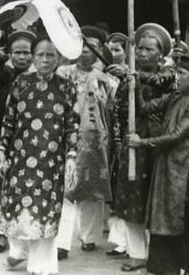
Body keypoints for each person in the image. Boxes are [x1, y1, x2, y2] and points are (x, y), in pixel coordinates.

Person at [0, 37, 79, 275]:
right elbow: (9, 120)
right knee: (18, 203)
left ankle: (42, 265)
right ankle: (18, 252)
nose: (45, 59)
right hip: (20, 157)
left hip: (51, 160)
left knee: (45, 207)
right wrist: (1, 151)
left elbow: (73, 123)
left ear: (59, 59)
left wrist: (72, 155)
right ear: (33, 57)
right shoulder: (21, 82)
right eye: (40, 55)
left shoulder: (66, 86)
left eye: (50, 55)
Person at [127, 54, 189, 275]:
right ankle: (164, 268)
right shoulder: (174, 97)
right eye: (177, 72)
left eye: (182, 74)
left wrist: (141, 142)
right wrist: (135, 87)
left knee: (183, 220)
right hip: (166, 166)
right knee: (163, 218)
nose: (177, 77)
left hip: (184, 170)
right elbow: (144, 108)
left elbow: (176, 136)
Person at [106, 23, 175, 272]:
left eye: (149, 49)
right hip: (132, 143)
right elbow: (119, 111)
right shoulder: (127, 79)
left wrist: (133, 76)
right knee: (131, 196)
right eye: (140, 49)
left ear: (161, 54)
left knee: (155, 199)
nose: (143, 54)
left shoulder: (170, 75)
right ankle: (137, 253)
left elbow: (161, 83)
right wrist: (117, 142)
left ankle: (157, 252)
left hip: (157, 144)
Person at [56, 27, 116, 257]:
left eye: (92, 48)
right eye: (82, 46)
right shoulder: (63, 73)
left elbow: (109, 112)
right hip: (68, 138)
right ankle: (62, 242)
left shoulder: (106, 80)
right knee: (66, 188)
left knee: (92, 188)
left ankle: (89, 237)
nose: (85, 52)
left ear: (100, 51)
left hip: (96, 141)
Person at [0, 29, 37, 254]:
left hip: (31, 137)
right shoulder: (5, 74)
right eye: (17, 52)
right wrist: (0, 58)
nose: (22, 57)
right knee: (2, 184)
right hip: (5, 136)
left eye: (26, 52)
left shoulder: (40, 76)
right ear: (10, 54)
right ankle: (0, 233)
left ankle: (24, 233)